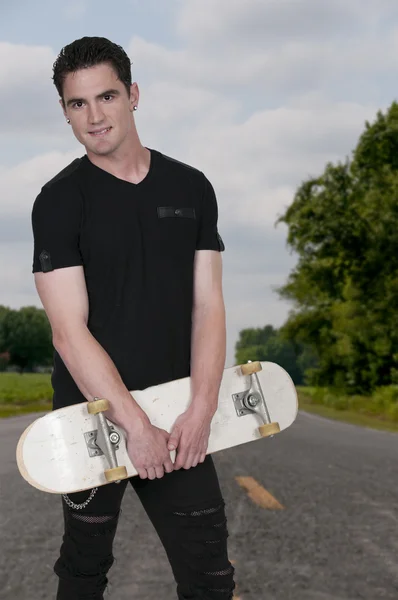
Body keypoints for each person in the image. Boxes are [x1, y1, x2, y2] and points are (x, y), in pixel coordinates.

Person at [31, 36, 235, 599]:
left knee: (211, 577)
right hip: (91, 417)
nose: (94, 117)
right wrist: (134, 426)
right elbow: (69, 333)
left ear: (133, 95)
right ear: (65, 112)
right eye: (78, 104)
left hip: (177, 417)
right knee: (84, 568)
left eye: (107, 97)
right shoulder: (59, 201)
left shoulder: (191, 187)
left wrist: (202, 407)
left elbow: (208, 305)